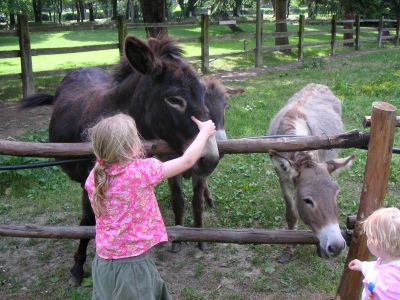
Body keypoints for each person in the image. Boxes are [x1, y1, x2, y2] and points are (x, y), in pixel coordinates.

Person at [84, 113, 216, 300]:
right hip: (133, 268)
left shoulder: (95, 177)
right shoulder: (141, 172)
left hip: (102, 265)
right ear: (131, 148)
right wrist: (204, 132)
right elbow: (187, 161)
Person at [348, 207, 400, 300]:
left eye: (369, 237)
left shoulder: (391, 281)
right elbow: (377, 268)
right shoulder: (389, 260)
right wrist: (362, 266)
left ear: (376, 243)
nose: (367, 240)